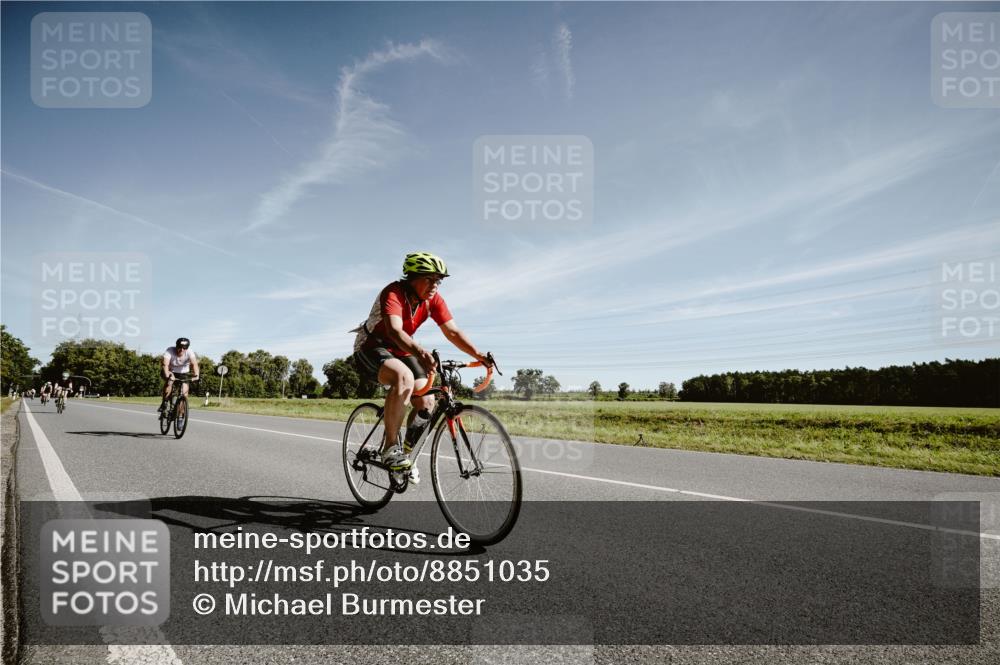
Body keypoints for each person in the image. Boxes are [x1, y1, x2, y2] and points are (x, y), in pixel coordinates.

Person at [351, 252, 490, 473]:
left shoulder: (433, 300)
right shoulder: (393, 292)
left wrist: (479, 355)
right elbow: (395, 331)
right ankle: (389, 449)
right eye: (429, 279)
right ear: (412, 277)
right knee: (403, 377)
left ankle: (405, 455)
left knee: (427, 401)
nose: (435, 285)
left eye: (439, 280)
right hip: (371, 347)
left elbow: (452, 332)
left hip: (401, 350)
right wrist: (421, 352)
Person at [159, 338, 200, 412]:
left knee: (184, 394)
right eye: (180, 347)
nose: (182, 350)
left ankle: (180, 416)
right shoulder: (170, 350)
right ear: (176, 346)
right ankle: (164, 402)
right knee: (170, 381)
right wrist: (168, 375)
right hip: (170, 371)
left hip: (183, 373)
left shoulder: (190, 352)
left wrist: (196, 375)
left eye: (185, 348)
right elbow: (165, 365)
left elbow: (194, 364)